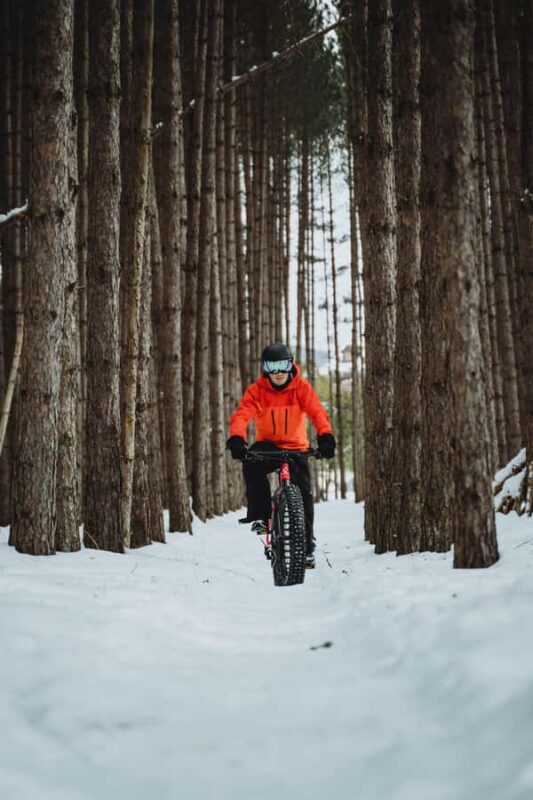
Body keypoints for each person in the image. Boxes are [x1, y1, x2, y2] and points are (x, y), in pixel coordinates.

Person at [226, 343, 336, 569]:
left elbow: (317, 412)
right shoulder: (257, 391)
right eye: (272, 367)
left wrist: (325, 436)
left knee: (304, 497)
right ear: (265, 368)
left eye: (283, 366)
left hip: (296, 448)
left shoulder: (301, 388)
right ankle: (261, 516)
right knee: (251, 462)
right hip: (269, 447)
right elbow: (242, 415)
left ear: (291, 365)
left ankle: (306, 550)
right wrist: (237, 438)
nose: (278, 372)